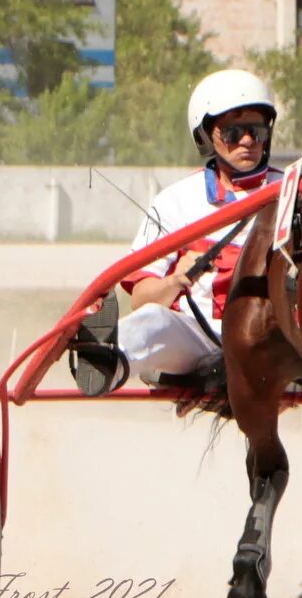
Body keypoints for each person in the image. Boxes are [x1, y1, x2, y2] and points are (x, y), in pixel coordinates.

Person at [67, 68, 285, 396]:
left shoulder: (297, 192)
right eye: (233, 131)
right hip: (199, 338)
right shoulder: (177, 200)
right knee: (153, 320)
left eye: (257, 131)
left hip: (275, 339)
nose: (248, 141)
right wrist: (173, 282)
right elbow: (140, 298)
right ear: (206, 135)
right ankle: (102, 364)